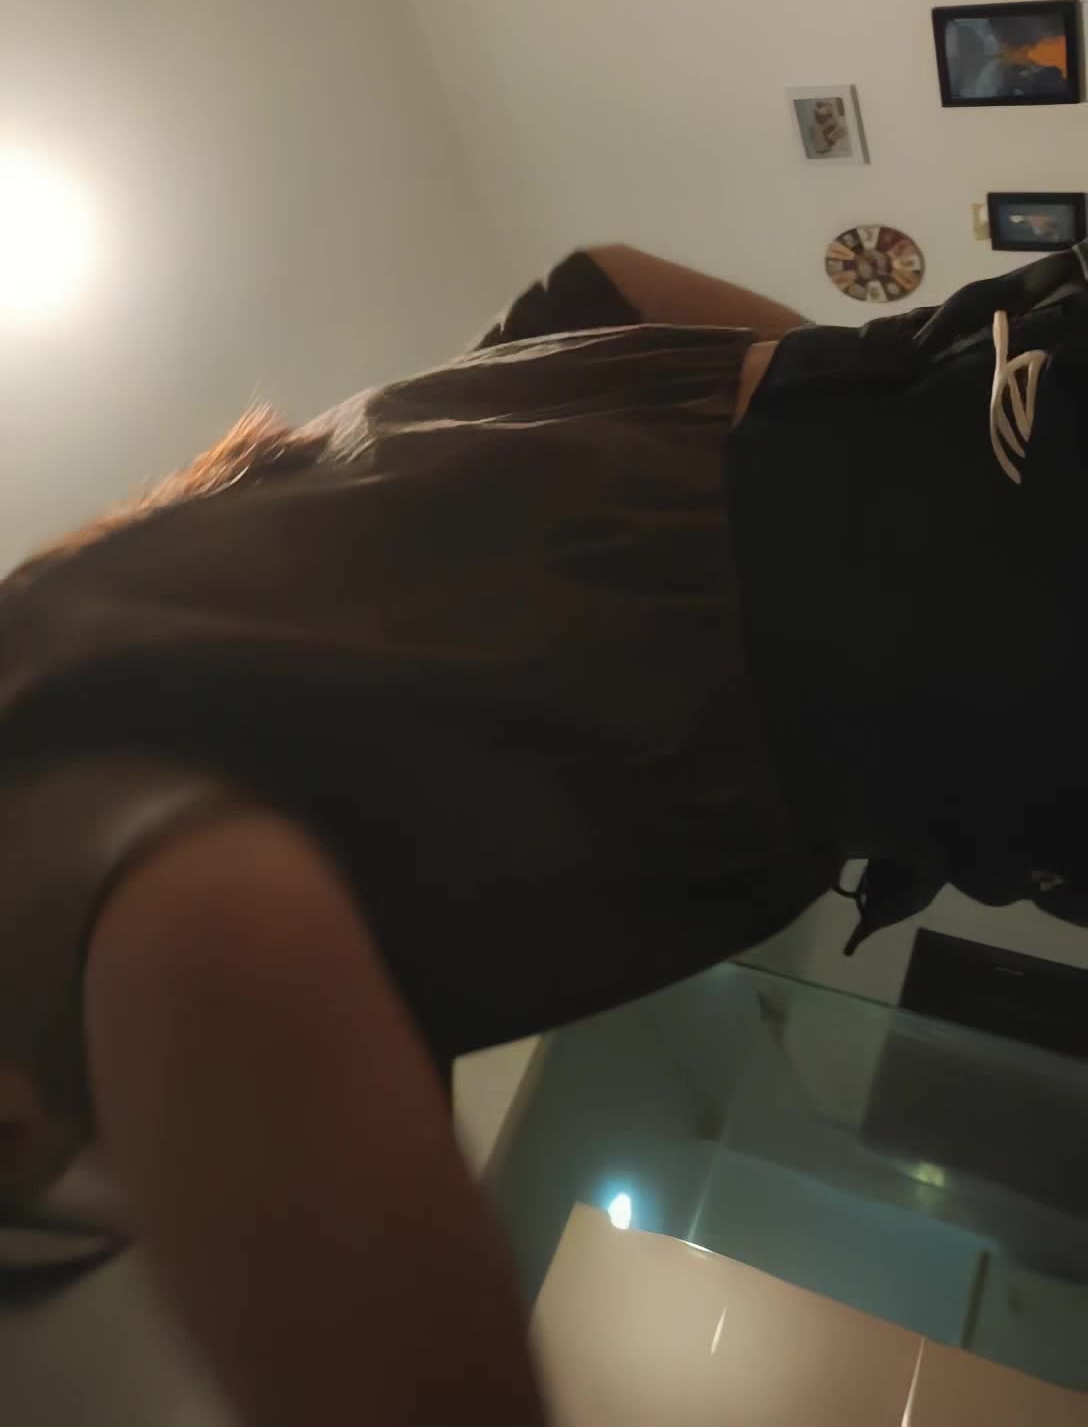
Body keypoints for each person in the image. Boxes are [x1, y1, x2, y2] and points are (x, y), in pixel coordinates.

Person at [0, 241, 1084, 1423]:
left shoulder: (49, 803)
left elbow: (208, 938)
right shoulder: (331, 515)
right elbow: (604, 284)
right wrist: (870, 418)